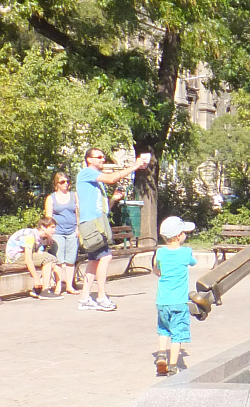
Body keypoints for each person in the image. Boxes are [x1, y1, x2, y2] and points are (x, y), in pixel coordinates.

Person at [76, 147, 152, 312]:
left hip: (98, 222)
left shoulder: (96, 181)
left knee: (94, 260)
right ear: (89, 159)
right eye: (99, 157)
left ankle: (84, 299)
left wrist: (113, 200)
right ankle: (101, 297)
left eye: (103, 157)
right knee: (106, 256)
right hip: (92, 224)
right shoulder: (87, 173)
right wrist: (135, 166)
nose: (102, 159)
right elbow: (111, 179)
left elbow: (102, 209)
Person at [154, 215, 197, 375]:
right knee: (177, 334)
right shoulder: (185, 252)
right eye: (184, 232)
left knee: (164, 329)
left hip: (162, 301)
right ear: (179, 236)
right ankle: (173, 366)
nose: (186, 235)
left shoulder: (160, 252)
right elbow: (193, 262)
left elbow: (156, 269)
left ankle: (161, 355)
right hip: (179, 301)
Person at [45, 171, 80, 295]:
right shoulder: (51, 198)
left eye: (67, 181)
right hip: (58, 232)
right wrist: (49, 235)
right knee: (59, 260)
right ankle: (58, 285)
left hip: (72, 232)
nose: (66, 184)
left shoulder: (74, 195)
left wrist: (78, 228)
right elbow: (48, 218)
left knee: (71, 260)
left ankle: (69, 286)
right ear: (56, 184)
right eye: (62, 182)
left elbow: (78, 213)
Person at [6, 218, 59, 297]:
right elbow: (28, 259)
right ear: (43, 227)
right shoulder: (30, 236)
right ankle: (45, 291)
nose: (54, 230)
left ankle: (38, 289)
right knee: (49, 258)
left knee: (51, 260)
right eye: (52, 227)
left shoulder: (40, 238)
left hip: (22, 256)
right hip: (15, 257)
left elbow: (39, 254)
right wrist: (36, 278)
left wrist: (50, 278)